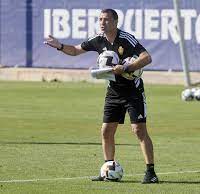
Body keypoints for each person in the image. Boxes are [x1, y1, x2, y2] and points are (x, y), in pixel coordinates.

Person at [44, 8, 158, 184]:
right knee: (106, 131)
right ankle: (108, 169)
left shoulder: (125, 39)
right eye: (100, 19)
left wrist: (127, 68)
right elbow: (75, 50)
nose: (102, 23)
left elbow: (146, 58)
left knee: (139, 130)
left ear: (115, 22)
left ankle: (151, 173)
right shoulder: (97, 40)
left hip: (133, 92)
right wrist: (59, 46)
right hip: (113, 92)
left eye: (106, 20)